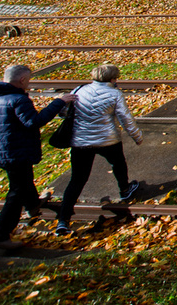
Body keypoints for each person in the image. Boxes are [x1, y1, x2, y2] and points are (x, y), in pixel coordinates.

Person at [0, 65, 77, 249]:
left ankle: (32, 204)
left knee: (23, 181)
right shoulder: (18, 99)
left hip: (1, 150)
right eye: (29, 81)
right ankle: (0, 235)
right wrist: (59, 102)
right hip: (16, 151)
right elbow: (34, 121)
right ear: (23, 80)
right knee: (16, 192)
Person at [55, 64, 142, 236]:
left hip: (81, 142)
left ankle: (63, 220)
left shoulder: (80, 89)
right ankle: (124, 189)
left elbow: (64, 111)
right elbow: (125, 118)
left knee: (77, 180)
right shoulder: (115, 93)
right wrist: (137, 136)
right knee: (118, 163)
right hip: (107, 139)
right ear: (112, 79)